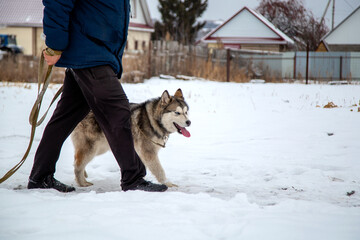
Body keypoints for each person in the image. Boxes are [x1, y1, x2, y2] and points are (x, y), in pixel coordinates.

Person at [27, 0, 168, 192]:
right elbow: (58, 2)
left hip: (96, 53)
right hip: (89, 53)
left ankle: (40, 177)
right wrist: (55, 45)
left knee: (64, 119)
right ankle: (133, 179)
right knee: (118, 112)